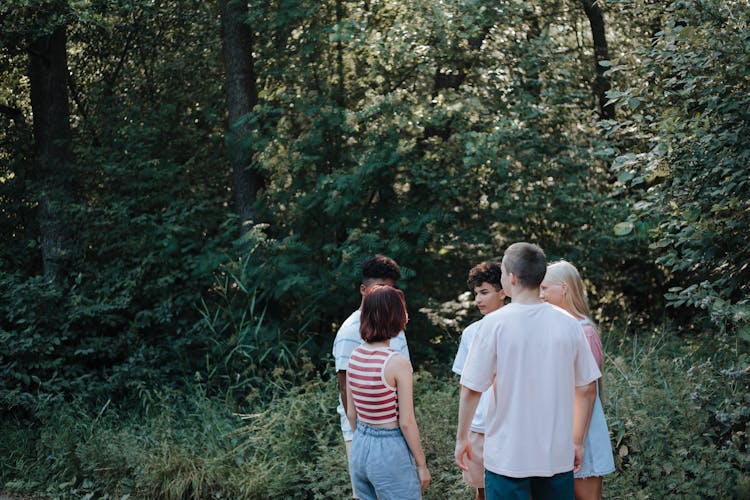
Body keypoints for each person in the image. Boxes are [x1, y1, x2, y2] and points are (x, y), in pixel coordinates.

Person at [455, 242, 600, 500]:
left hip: (507, 456)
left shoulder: (493, 324)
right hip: (557, 455)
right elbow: (587, 388)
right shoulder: (568, 324)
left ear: (510, 278)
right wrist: (577, 441)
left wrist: (462, 438)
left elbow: (471, 389)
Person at [332, 255, 410, 499]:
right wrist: (362, 437)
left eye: (390, 289)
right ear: (363, 290)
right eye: (378, 288)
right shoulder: (349, 331)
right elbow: (346, 390)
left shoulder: (393, 325)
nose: (384, 294)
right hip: (363, 434)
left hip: (396, 433)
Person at [346, 285, 430, 499]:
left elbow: (351, 414)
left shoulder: (354, 356)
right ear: (396, 316)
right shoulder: (396, 363)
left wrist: (365, 439)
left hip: (360, 446)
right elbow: (406, 421)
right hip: (389, 449)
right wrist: (421, 465)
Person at [540, 260, 616, 500]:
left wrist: (577, 440)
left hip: (581, 428)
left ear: (563, 288)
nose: (540, 295)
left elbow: (588, 390)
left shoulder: (584, 331)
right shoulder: (555, 328)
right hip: (557, 427)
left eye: (544, 288)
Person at [452, 261, 507, 500]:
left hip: (508, 424)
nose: (478, 300)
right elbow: (464, 384)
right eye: (476, 294)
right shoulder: (471, 332)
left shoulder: (517, 327)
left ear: (503, 291)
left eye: (484, 292)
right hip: (479, 424)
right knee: (482, 491)